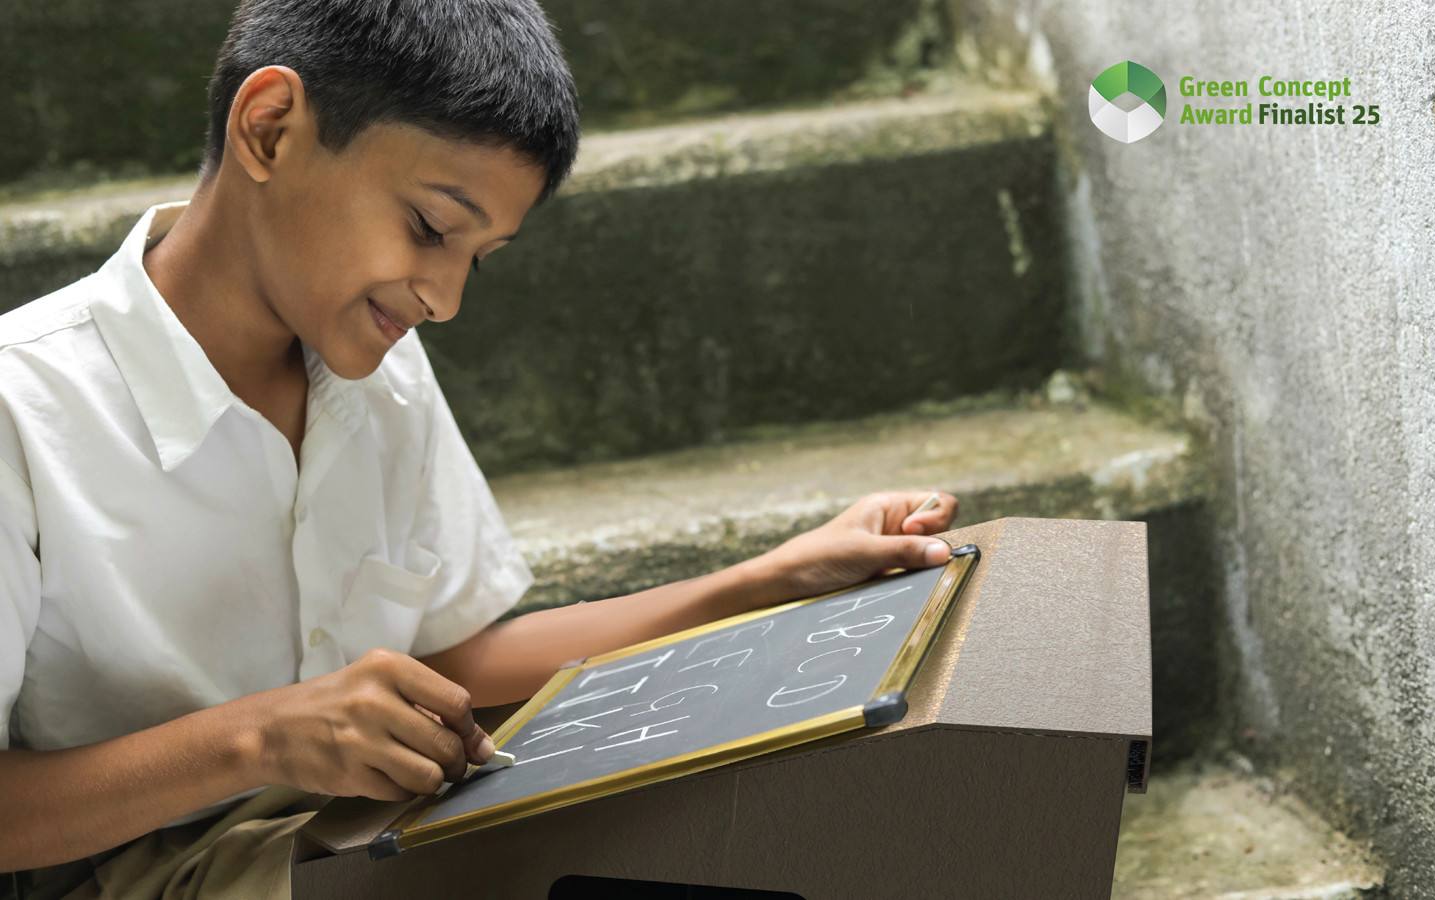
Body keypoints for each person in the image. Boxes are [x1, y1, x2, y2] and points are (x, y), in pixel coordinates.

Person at [0, 0, 960, 896]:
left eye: (476, 259)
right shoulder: (23, 408)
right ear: (270, 129)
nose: (445, 298)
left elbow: (459, 655)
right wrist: (264, 742)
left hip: (360, 828)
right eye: (429, 228)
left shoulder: (380, 366)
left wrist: (766, 581)